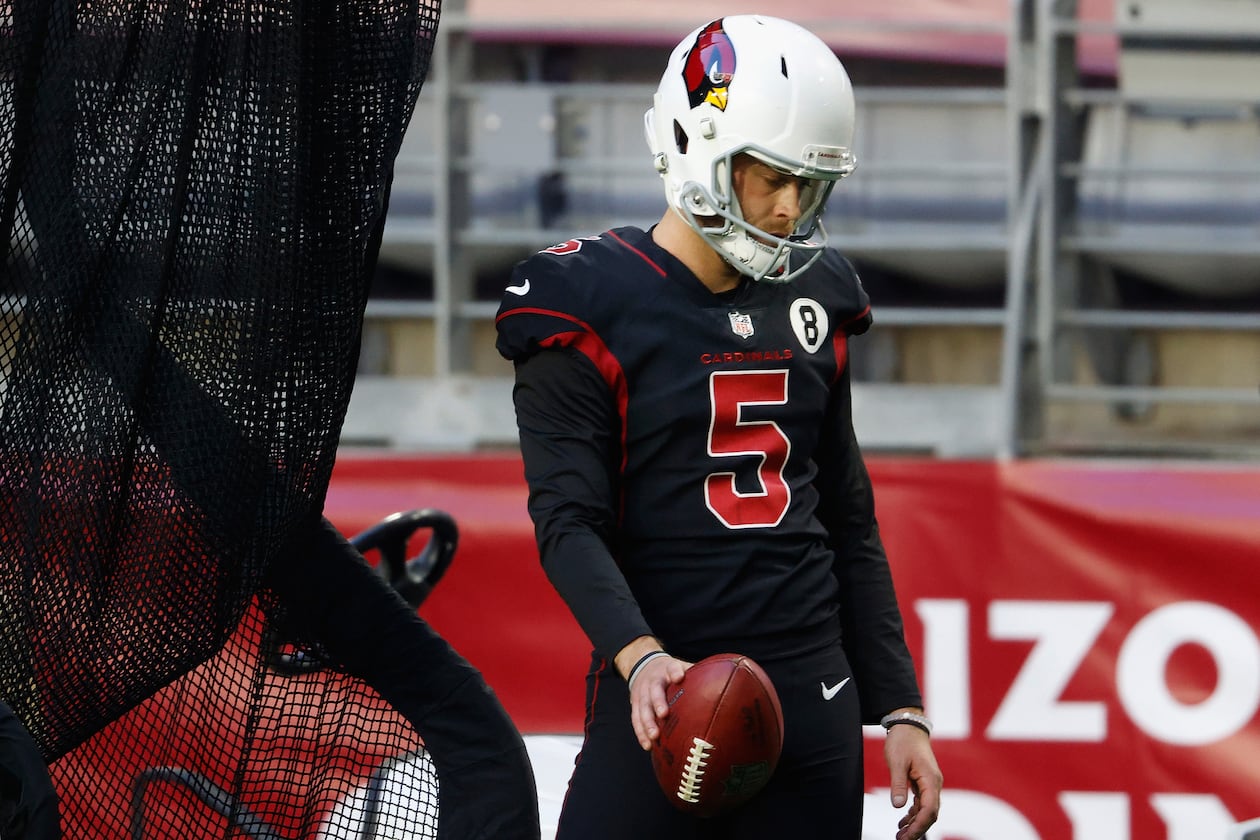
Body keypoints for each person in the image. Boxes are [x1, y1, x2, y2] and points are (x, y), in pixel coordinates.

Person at [496, 14, 941, 840]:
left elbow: (846, 516)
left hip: (814, 698)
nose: (787, 207)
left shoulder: (819, 295)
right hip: (667, 691)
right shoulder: (585, 301)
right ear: (698, 144)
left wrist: (901, 706)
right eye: (770, 176)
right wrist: (640, 656)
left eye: (809, 186)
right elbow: (567, 521)